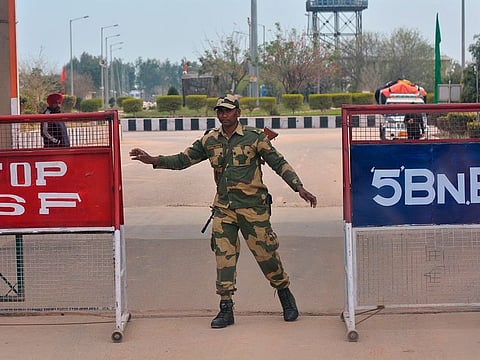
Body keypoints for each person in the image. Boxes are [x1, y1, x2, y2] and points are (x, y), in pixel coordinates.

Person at [129, 94, 317, 329]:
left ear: (238, 113)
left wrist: (299, 188)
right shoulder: (210, 140)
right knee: (224, 257)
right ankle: (226, 308)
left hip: (253, 210)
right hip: (224, 210)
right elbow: (183, 160)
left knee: (267, 256)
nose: (223, 115)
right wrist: (154, 160)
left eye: (227, 111)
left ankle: (285, 295)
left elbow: (279, 163)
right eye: (219, 111)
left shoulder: (254, 137)